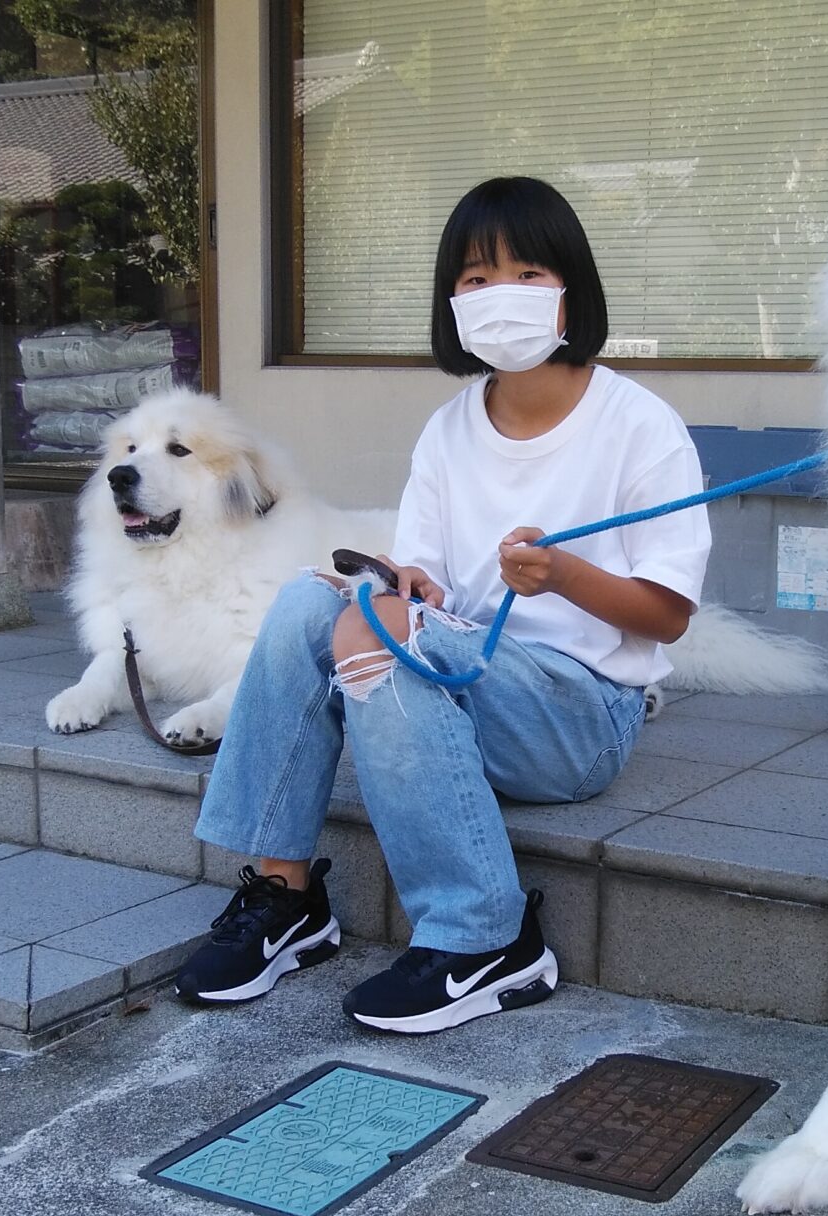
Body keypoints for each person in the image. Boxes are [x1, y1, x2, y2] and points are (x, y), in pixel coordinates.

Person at [174, 176, 709, 1036]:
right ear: (450, 303)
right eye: (474, 278)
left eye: (529, 274)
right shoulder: (450, 428)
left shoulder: (641, 427)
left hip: (580, 720)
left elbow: (668, 615)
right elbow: (418, 570)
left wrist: (564, 574)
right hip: (469, 675)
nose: (501, 295)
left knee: (378, 628)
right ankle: (287, 895)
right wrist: (402, 582)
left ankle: (484, 936)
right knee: (312, 603)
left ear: (573, 289)